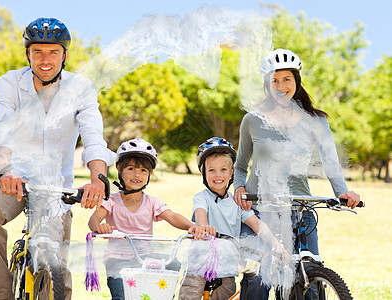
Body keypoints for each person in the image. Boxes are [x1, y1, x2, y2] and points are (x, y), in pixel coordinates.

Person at [0, 17, 115, 300]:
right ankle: (1, 292)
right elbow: (0, 131)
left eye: (53, 52)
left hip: (56, 184)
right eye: (38, 51)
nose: (45, 59)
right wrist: (6, 170)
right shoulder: (10, 83)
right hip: (16, 177)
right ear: (28, 54)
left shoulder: (80, 87)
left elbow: (93, 136)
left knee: (58, 270)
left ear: (65, 55)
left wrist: (98, 178)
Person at [233, 48, 361, 299]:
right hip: (259, 209)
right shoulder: (252, 120)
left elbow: (330, 161)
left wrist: (342, 192)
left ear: (297, 80)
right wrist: (239, 188)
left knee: (308, 277)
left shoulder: (315, 120)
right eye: (274, 80)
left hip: (300, 207)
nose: (281, 86)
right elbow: (240, 166)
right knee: (258, 279)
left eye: (286, 79)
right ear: (266, 84)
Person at [88, 138, 214, 300]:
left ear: (150, 174)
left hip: (145, 257)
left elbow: (172, 216)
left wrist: (193, 226)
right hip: (118, 261)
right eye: (131, 168)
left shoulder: (152, 202)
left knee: (172, 264)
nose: (137, 174)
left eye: (143, 170)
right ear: (119, 169)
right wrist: (99, 227)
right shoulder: (111, 201)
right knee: (122, 297)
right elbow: (93, 220)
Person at [178, 137, 289, 300]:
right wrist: (203, 227)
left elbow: (257, 224)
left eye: (223, 169)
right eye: (211, 170)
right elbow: (200, 212)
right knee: (190, 295)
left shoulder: (237, 202)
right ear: (203, 172)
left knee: (227, 294)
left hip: (226, 265)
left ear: (232, 173)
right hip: (200, 263)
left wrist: (276, 245)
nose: (218, 175)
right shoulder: (202, 197)